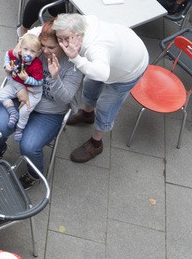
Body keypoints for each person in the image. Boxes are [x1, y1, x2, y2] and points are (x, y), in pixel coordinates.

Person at [0, 15, 85, 180]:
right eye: (43, 46)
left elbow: (65, 99)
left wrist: (55, 78)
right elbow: (12, 68)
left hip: (49, 111)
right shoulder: (35, 50)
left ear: (62, 44)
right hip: (21, 95)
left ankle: (34, 175)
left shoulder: (74, 66)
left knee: (29, 147)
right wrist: (17, 85)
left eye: (50, 47)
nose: (44, 51)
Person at [60, 12, 150, 163]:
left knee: (106, 105)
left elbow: (101, 73)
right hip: (117, 56)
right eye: (59, 39)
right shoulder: (79, 24)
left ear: (78, 35)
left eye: (66, 40)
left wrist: (76, 58)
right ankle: (88, 115)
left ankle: (96, 143)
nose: (62, 44)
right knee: (89, 84)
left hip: (129, 69)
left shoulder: (96, 48)